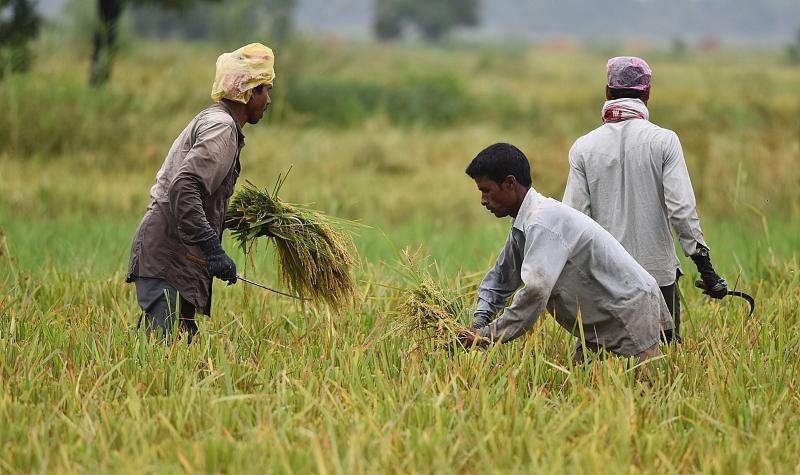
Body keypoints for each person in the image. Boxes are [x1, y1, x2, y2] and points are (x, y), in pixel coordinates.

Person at [562, 56, 727, 343]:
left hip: (605, 276)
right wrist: (707, 271)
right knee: (663, 367)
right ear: (648, 93)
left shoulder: (583, 147)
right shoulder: (664, 141)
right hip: (657, 276)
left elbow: (572, 218)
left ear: (607, 92)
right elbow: (682, 211)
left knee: (595, 366)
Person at [459, 143, 672, 364]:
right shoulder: (524, 225)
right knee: (584, 388)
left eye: (486, 191)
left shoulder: (543, 222)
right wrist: (478, 323)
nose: (483, 201)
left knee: (642, 388)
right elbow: (500, 279)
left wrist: (485, 336)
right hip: (596, 318)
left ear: (510, 183)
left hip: (628, 310)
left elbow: (535, 292)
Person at [126, 43, 276, 342]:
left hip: (180, 257)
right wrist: (214, 251)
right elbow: (185, 187)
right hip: (170, 253)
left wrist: (248, 221)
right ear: (246, 91)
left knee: (178, 347)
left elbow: (200, 198)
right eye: (264, 90)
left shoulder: (217, 121)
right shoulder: (222, 128)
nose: (268, 100)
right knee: (162, 353)